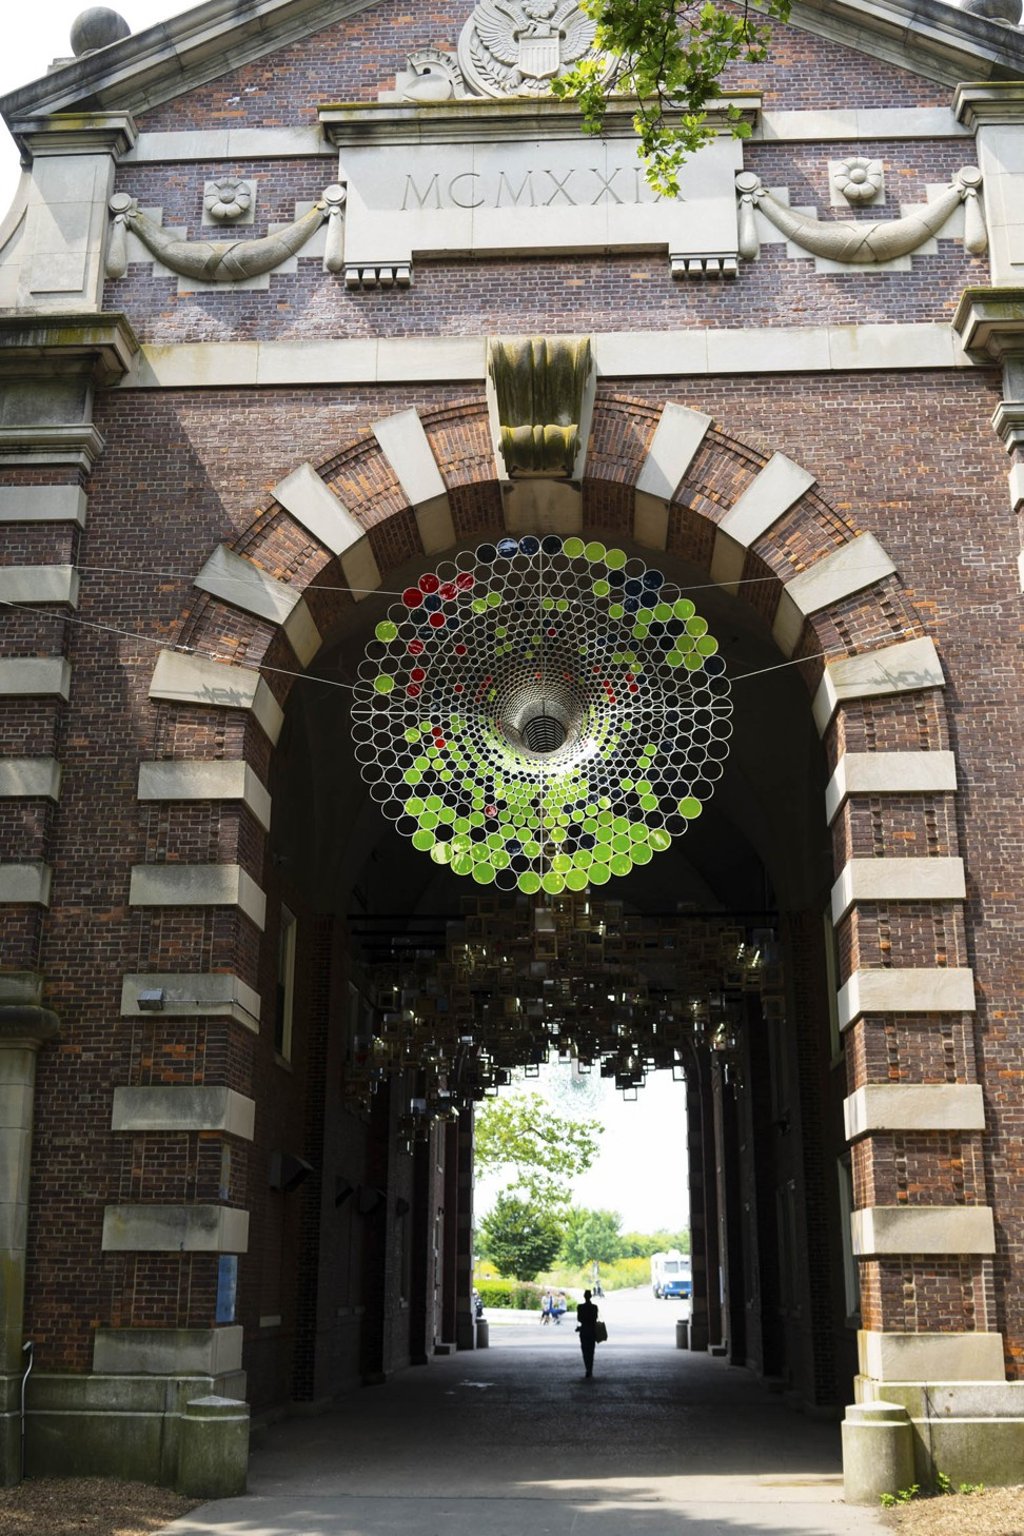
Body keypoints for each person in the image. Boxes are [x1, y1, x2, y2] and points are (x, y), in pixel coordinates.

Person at [576, 1287, 599, 1378]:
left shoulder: (580, 1307)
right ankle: (590, 1369)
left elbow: (579, 1319)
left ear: (584, 1296)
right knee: (591, 1351)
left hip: (584, 1330)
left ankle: (587, 1369)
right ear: (591, 1296)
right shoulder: (594, 1307)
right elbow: (595, 1318)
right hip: (592, 1331)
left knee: (585, 1351)